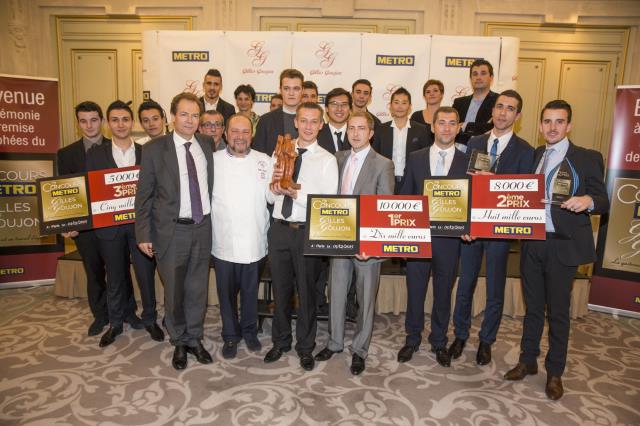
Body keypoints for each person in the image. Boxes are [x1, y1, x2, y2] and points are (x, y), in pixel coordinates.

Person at [504, 100, 608, 400]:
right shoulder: (536, 155)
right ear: (539, 126)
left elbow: (603, 200)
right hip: (532, 242)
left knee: (558, 312)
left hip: (563, 246)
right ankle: (527, 361)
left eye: (559, 122)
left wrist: (587, 201)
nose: (552, 127)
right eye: (547, 121)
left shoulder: (587, 157)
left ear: (569, 125)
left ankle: (555, 372)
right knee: (532, 308)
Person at [449, 90, 534, 365]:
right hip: (472, 228)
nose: (502, 112)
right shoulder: (475, 141)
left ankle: (486, 340)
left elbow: (522, 196)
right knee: (466, 285)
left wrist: (493, 179)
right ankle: (460, 335)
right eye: (499, 106)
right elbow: (465, 186)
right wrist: (462, 221)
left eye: (510, 109)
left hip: (500, 230)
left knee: (496, 289)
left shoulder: (526, 150)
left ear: (517, 116)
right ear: (492, 110)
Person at [135, 92, 214, 370]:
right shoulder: (155, 149)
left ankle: (194, 337)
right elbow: (144, 196)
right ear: (172, 117)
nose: (190, 120)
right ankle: (179, 340)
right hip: (171, 231)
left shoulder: (206, 144)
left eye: (195, 115)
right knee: (175, 290)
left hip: (202, 227)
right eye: (184, 114)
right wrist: (143, 233)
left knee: (197, 289)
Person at [314, 111, 394, 375]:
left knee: (365, 299)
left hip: (367, 247)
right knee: (335, 293)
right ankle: (335, 342)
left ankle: (360, 349)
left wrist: (369, 244)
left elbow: (383, 208)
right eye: (351, 128)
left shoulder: (383, 164)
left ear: (371, 133)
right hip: (340, 239)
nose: (355, 133)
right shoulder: (337, 158)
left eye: (361, 128)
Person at [263, 102, 339, 371]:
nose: (308, 126)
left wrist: (296, 193)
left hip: (307, 231)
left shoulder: (327, 160)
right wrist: (275, 189)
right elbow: (269, 196)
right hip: (280, 229)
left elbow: (328, 201)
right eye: (303, 120)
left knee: (307, 293)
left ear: (321, 125)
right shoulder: (280, 151)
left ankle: (305, 347)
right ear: (295, 122)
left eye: (313, 121)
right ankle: (280, 341)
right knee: (281, 290)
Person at [86, 100, 163, 347]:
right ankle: (116, 323)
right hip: (109, 229)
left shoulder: (145, 152)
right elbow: (90, 191)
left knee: (145, 275)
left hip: (141, 228)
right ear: (108, 124)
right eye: (115, 120)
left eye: (125, 119)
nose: (121, 124)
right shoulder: (95, 154)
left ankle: (150, 318)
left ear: (132, 123)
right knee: (116, 277)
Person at [397, 106, 469, 367]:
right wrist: (403, 237)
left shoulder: (467, 162)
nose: (446, 128)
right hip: (418, 237)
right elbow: (405, 196)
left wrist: (469, 226)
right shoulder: (415, 158)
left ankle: (439, 341)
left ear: (458, 128)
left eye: (452, 123)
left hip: (450, 241)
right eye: (441, 123)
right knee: (414, 291)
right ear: (432, 126)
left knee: (443, 293)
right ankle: (412, 338)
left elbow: (472, 202)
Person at [211, 114, 272, 359]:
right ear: (226, 133)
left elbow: (271, 197)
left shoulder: (265, 161)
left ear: (252, 134)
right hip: (223, 241)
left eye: (245, 132)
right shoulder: (212, 161)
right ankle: (230, 335)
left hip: (255, 239)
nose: (240, 137)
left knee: (250, 291)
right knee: (226, 294)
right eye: (235, 131)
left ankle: (249, 331)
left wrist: (281, 189)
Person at [56, 101, 109, 336]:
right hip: (84, 227)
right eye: (83, 121)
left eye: (94, 120)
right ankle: (100, 315)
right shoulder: (66, 154)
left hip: (113, 223)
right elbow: (63, 191)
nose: (89, 125)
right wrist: (68, 224)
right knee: (94, 271)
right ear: (78, 123)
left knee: (118, 271)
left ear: (102, 121)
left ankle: (125, 311)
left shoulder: (117, 147)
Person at [372, 87, 431, 192]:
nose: (400, 106)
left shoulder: (421, 129)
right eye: (396, 102)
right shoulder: (381, 129)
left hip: (412, 181)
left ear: (410, 107)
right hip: (385, 181)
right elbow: (374, 157)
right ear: (390, 106)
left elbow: (426, 158)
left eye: (404, 103)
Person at [253, 69, 304, 156]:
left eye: (296, 89)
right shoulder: (266, 120)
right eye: (286, 88)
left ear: (302, 90)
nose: (291, 93)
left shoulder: (313, 120)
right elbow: (258, 155)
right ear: (280, 90)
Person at [452, 59, 499, 146]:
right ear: (470, 78)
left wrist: (465, 125)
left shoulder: (498, 101)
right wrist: (479, 127)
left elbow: (494, 128)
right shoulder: (459, 103)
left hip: (484, 152)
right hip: (458, 152)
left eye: (483, 73)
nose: (478, 77)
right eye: (475, 74)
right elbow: (452, 127)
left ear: (491, 77)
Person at [317, 88, 352, 154]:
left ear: (350, 109)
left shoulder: (356, 133)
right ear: (326, 108)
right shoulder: (317, 134)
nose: (339, 109)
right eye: (334, 104)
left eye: (344, 104)